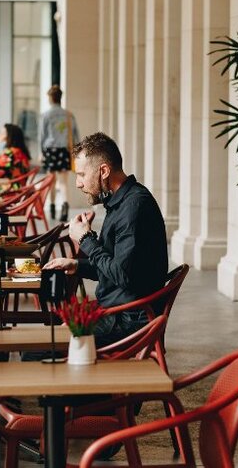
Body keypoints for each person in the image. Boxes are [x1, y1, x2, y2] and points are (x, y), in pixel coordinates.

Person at [43, 132, 167, 347]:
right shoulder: (120, 202)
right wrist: (77, 265)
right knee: (48, 331)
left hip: (130, 318)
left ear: (104, 171)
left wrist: (85, 239)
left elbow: (123, 275)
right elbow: (116, 266)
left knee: (40, 347)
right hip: (116, 309)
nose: (78, 184)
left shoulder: (133, 208)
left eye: (81, 174)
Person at [40, 85, 80, 221]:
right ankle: (64, 206)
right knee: (63, 182)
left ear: (51, 98)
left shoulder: (46, 115)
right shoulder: (68, 115)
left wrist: (41, 152)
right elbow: (76, 135)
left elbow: (42, 135)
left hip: (50, 150)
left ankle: (51, 207)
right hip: (64, 150)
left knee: (51, 181)